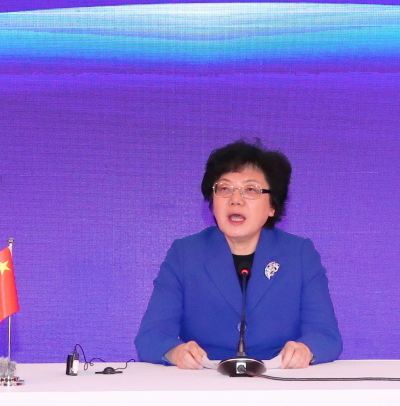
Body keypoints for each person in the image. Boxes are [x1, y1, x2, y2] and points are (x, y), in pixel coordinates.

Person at [135, 139, 341, 369]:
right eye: (224, 189)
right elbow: (151, 336)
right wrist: (174, 352)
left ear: (272, 206)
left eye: (250, 190)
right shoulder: (185, 254)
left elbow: (326, 336)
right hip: (205, 378)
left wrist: (306, 350)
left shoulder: (299, 254)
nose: (235, 200)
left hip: (278, 377)